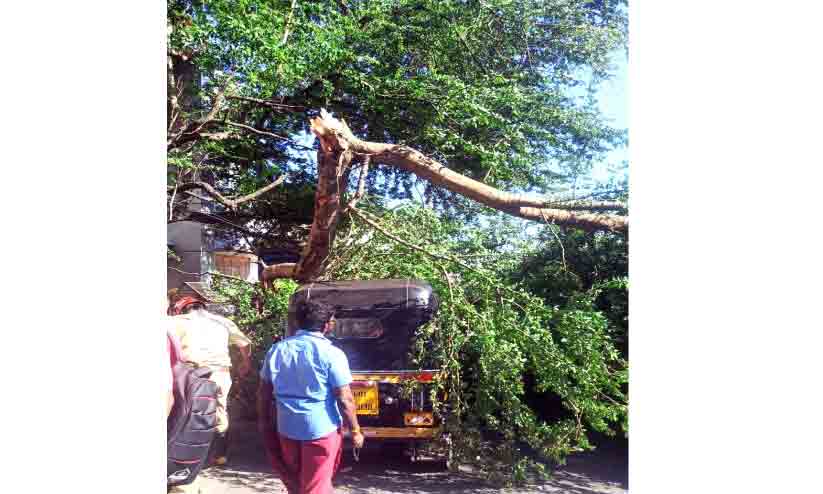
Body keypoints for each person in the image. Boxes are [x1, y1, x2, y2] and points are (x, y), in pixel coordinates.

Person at [257, 300, 365, 494]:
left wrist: (264, 422)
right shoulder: (332, 354)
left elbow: (263, 392)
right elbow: (345, 398)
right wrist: (355, 431)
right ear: (326, 326)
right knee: (316, 486)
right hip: (321, 429)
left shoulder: (277, 350)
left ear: (299, 323)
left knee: (296, 482)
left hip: (287, 427)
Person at [170, 296, 252, 467]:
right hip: (219, 373)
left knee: (184, 411)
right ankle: (219, 455)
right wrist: (245, 363)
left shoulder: (175, 322)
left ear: (183, 309)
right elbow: (244, 344)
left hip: (190, 374)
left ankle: (184, 454)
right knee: (219, 410)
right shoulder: (223, 322)